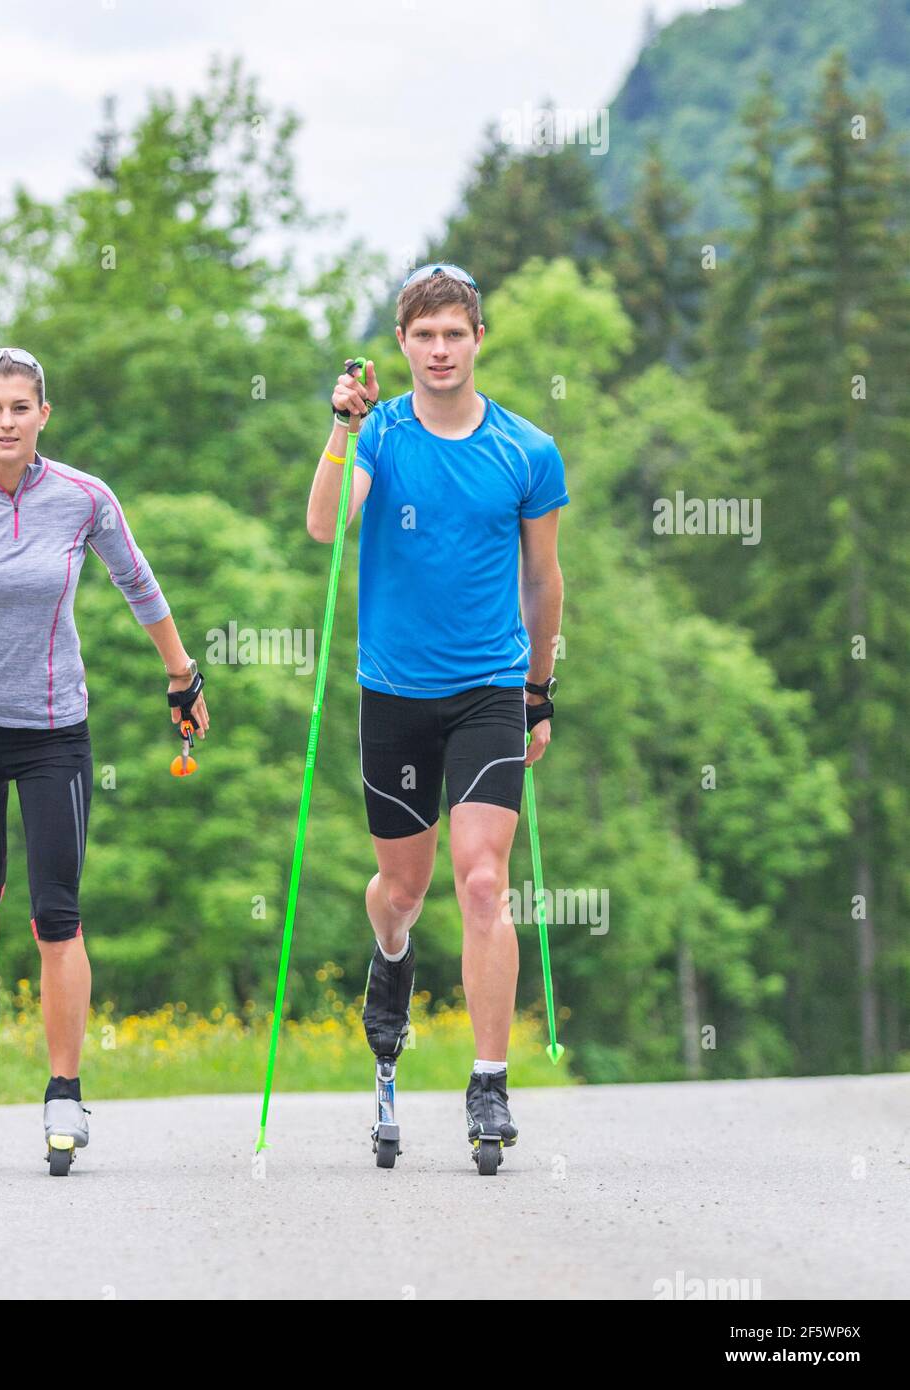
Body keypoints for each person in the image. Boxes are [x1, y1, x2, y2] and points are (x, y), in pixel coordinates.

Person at [0, 347, 209, 1170]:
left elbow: (139, 583)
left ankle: (64, 1093)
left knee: (56, 914)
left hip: (55, 730)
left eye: (20, 408)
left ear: (43, 414)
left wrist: (181, 675)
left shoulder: (83, 499)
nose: (6, 422)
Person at [305, 264, 567, 1163]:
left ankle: (489, 1083)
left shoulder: (527, 451)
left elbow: (541, 579)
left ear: (477, 339)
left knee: (485, 882)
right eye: (424, 336)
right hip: (396, 693)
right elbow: (326, 524)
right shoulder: (376, 434)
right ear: (403, 344)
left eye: (455, 333)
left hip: (491, 689)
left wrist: (538, 691)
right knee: (404, 892)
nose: (441, 349)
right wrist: (339, 433)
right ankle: (391, 956)